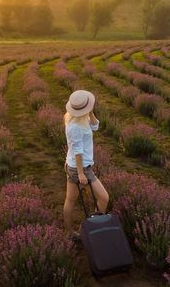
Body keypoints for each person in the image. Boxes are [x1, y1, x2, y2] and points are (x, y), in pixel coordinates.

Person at [63, 90, 109, 241]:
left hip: (76, 166)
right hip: (80, 169)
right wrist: (81, 174)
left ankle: (79, 230)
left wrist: (90, 112)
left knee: (70, 200)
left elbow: (96, 126)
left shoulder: (80, 119)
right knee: (103, 198)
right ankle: (81, 230)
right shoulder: (75, 126)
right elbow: (77, 152)